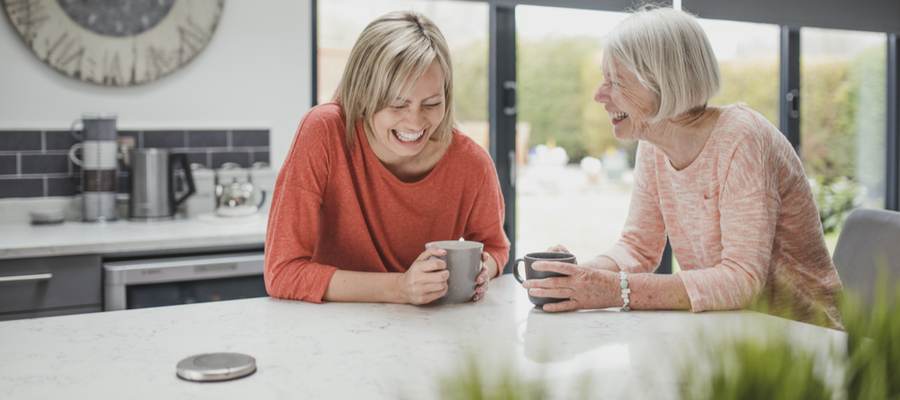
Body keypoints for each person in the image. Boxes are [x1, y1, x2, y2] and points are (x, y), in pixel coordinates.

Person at [523, 6, 843, 329]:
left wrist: (612, 291)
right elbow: (637, 248)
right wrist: (575, 279)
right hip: (734, 332)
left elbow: (742, 279)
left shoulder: (741, 139)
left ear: (662, 82)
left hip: (808, 338)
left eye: (616, 82)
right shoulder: (651, 145)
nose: (598, 95)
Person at [264, 11, 510, 305]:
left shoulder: (473, 164)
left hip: (428, 335)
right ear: (362, 95)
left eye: (431, 103)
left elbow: (495, 247)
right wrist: (399, 288)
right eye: (397, 105)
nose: (415, 122)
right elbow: (281, 272)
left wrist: (483, 269)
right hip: (330, 331)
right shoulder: (323, 132)